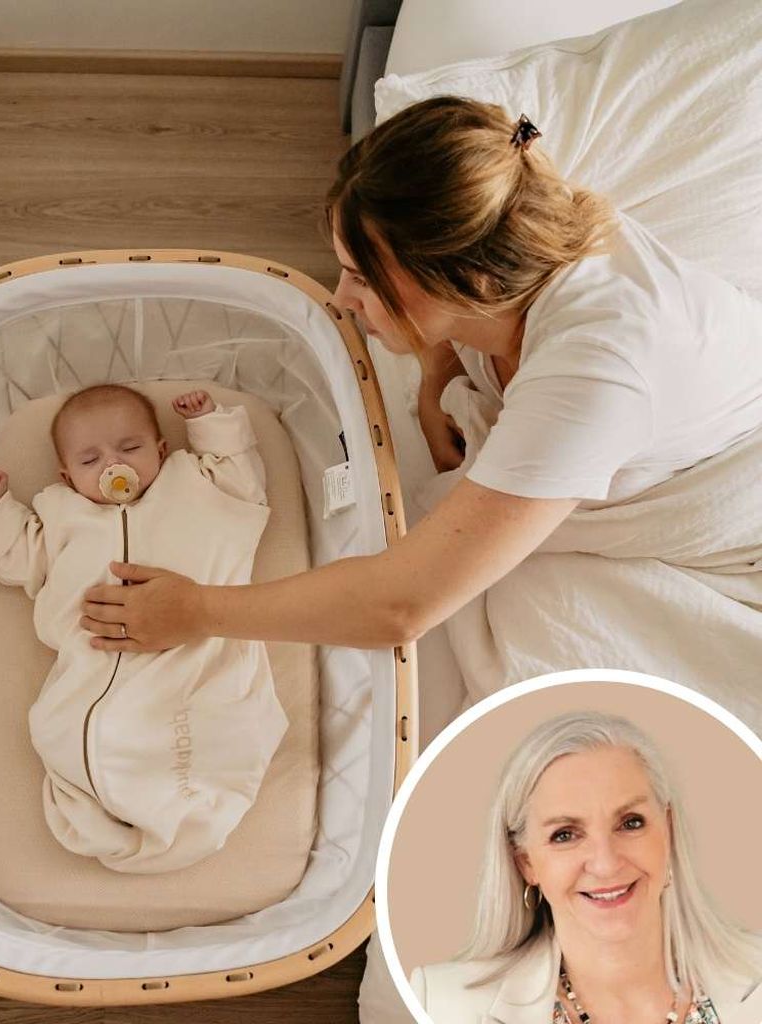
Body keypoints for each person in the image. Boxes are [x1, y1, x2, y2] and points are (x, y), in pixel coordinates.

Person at [77, 96, 762, 729]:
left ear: (466, 282)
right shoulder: (523, 231)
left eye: (365, 279)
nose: (344, 298)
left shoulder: (595, 371)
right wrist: (435, 368)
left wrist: (197, 610)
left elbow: (399, 605)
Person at [0, 384, 287, 874]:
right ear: (66, 475)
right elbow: (23, 558)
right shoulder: (61, 517)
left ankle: (194, 802)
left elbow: (242, 477)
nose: (114, 465)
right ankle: (105, 801)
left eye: (130, 448)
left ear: (161, 449)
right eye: (90, 460)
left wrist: (209, 425)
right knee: (74, 729)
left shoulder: (196, 486)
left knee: (217, 719)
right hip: (93, 667)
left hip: (197, 654)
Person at [409, 711, 762, 1024]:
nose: (606, 864)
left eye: (630, 823)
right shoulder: (443, 1004)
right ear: (526, 862)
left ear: (667, 832)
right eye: (565, 835)